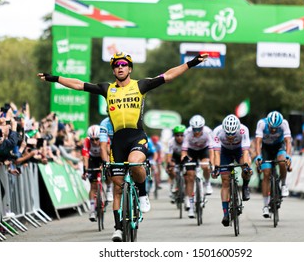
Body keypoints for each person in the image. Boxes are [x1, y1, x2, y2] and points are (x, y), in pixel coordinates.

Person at [37, 51, 208, 242]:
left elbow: (168, 75)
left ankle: (142, 194)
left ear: (130, 68)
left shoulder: (140, 85)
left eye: (124, 65)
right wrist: (54, 78)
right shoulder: (106, 89)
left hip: (136, 137)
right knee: (117, 187)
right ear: (113, 70)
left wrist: (192, 63)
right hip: (117, 142)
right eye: (116, 65)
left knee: (135, 164)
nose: (120, 67)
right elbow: (78, 84)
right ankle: (118, 228)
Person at [211, 114, 252, 227]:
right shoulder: (217, 131)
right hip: (224, 152)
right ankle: (225, 214)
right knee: (225, 181)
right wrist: (216, 168)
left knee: (246, 169)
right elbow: (217, 153)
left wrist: (246, 166)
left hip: (239, 150)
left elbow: (245, 152)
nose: (230, 136)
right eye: (228, 133)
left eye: (233, 133)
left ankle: (245, 186)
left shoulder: (244, 130)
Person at [254, 111, 292, 218]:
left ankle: (283, 184)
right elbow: (258, 142)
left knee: (282, 160)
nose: (274, 130)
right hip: (266, 148)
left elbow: (288, 141)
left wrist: (288, 156)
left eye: (276, 128)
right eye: (271, 128)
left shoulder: (284, 123)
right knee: (266, 174)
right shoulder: (262, 124)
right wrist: (258, 156)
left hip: (279, 146)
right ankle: (265, 205)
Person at [181, 114, 214, 218]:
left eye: (199, 129)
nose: (196, 131)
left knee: (205, 166)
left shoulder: (208, 132)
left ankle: (207, 183)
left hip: (204, 151)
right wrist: (184, 160)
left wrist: (211, 163)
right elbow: (184, 151)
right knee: (190, 176)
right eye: (195, 129)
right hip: (191, 152)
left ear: (203, 127)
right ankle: (191, 206)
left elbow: (211, 150)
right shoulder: (187, 133)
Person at [81, 125, 106, 222]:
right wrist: (85, 171)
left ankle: (108, 190)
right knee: (93, 185)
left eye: (97, 139)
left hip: (102, 158)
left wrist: (105, 165)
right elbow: (85, 157)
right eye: (92, 139)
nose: (95, 142)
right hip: (92, 160)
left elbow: (107, 153)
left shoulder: (105, 140)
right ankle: (92, 210)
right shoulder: (86, 142)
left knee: (109, 174)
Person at [165, 124, 186, 201]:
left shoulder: (187, 141)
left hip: (185, 157)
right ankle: (174, 182)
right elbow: (169, 155)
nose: (179, 137)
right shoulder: (171, 142)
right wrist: (170, 163)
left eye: (181, 135)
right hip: (175, 157)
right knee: (170, 169)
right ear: (174, 136)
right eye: (177, 135)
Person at [99, 117, 114, 202]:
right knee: (109, 167)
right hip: (110, 146)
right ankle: (109, 187)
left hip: (122, 143)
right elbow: (103, 147)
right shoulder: (104, 123)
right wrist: (106, 163)